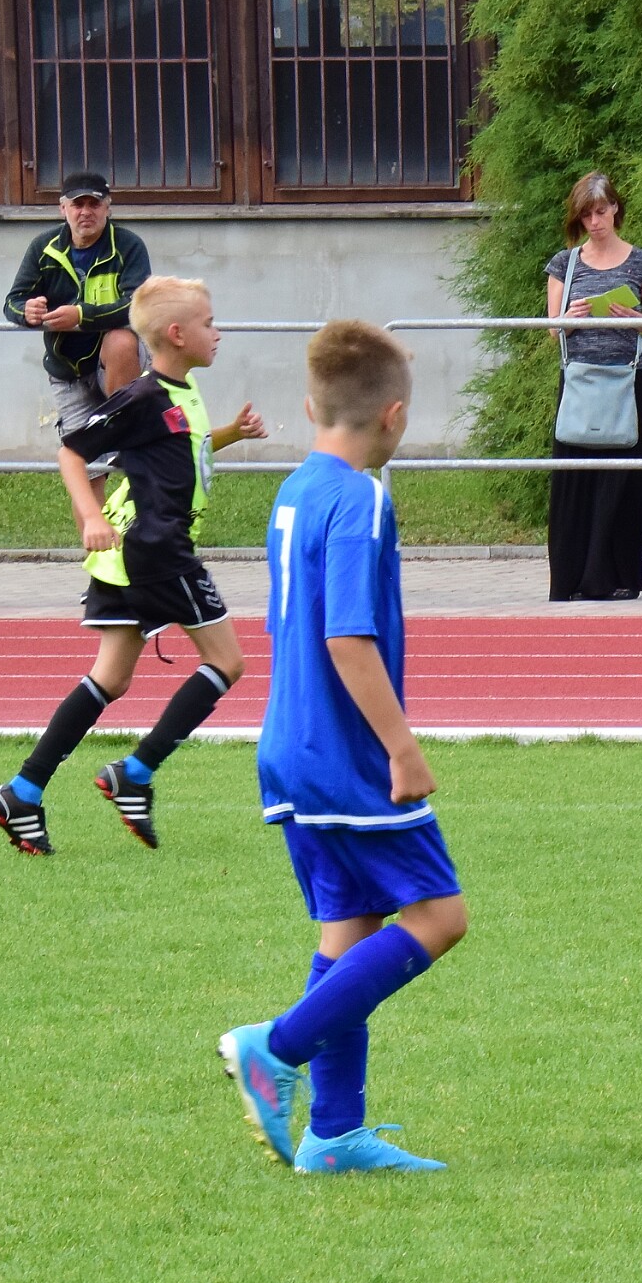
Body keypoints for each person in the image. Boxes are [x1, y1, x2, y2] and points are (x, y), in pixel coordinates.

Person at [219, 320, 468, 1174]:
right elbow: (347, 637)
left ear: (309, 406)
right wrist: (402, 748)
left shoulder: (296, 487)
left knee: (349, 930)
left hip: (290, 744)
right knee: (440, 917)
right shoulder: (361, 497)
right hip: (346, 753)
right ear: (394, 414)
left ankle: (333, 1134)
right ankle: (276, 1046)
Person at [0, 277, 268, 855]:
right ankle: (134, 773)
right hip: (157, 548)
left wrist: (229, 435)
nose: (218, 332)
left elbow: (179, 449)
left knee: (111, 679)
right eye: (209, 323)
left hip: (126, 558)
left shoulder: (180, 392)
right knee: (227, 662)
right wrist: (89, 514)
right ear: (177, 334)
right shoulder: (143, 397)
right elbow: (71, 451)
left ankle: (22, 791)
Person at [545, 172, 642, 601]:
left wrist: (633, 318)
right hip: (580, 380)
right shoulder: (565, 263)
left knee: (625, 482)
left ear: (615, 208)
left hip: (630, 380)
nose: (594, 222)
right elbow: (551, 329)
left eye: (600, 211)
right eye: (586, 215)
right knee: (574, 482)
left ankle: (618, 579)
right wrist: (568, 319)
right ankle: (570, 580)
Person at [3, 171, 152, 435]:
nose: (86, 212)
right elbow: (13, 301)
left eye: (94, 204)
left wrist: (81, 316)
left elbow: (137, 306)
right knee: (81, 456)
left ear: (107, 208)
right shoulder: (43, 247)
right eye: (77, 204)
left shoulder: (129, 245)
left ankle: (124, 428)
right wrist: (27, 312)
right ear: (63, 209)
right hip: (67, 371)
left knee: (120, 341)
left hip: (116, 363)